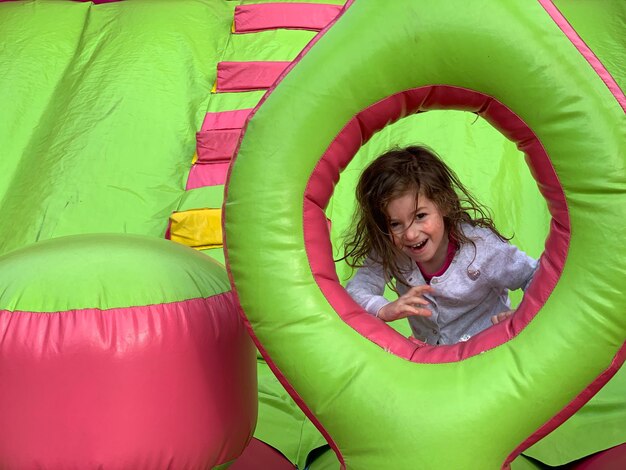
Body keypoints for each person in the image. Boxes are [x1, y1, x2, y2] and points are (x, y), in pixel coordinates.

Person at [342, 145, 537, 345]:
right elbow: (356, 290)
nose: (410, 234)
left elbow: (535, 275)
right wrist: (383, 309)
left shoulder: (481, 247)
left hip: (488, 353)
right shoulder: (392, 250)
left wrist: (521, 316)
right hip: (435, 363)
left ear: (444, 204)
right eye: (394, 223)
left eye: (420, 216)